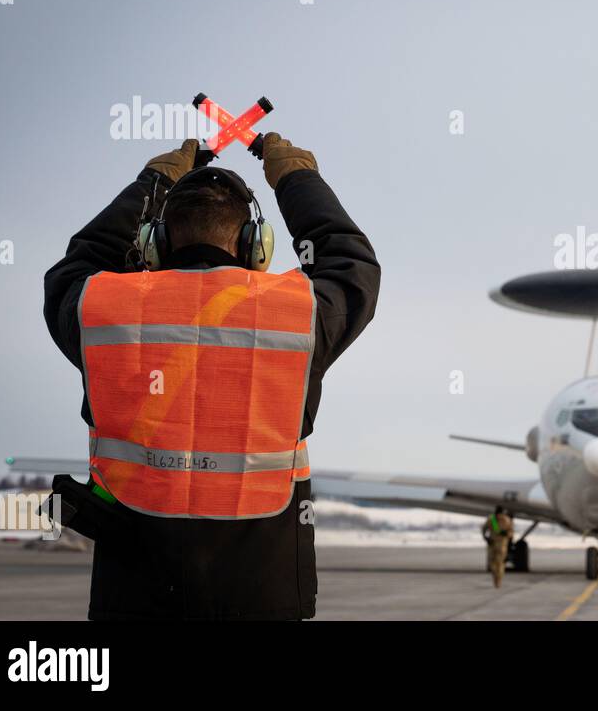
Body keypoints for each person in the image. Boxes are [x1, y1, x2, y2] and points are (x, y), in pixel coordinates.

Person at [43, 134, 379, 620]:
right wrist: (296, 177)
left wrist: (153, 181)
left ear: (153, 246)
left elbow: (80, 262)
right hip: (262, 596)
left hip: (133, 599)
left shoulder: (101, 310)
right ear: (254, 246)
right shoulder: (298, 316)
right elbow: (353, 266)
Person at [482, 506, 513, 587]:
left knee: (493, 563)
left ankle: (496, 579)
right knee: (500, 564)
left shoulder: (492, 519)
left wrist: (486, 538)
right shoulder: (507, 520)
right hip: (502, 545)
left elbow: (483, 529)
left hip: (492, 544)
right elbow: (510, 533)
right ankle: (498, 581)